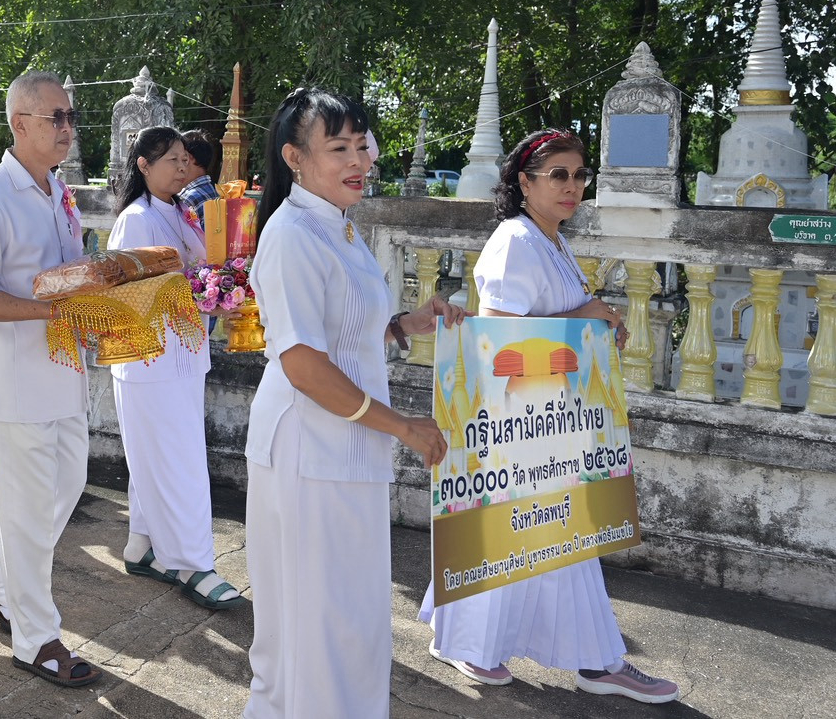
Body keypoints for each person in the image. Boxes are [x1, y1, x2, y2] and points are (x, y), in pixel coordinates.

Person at [420, 129, 679, 704]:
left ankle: (585, 657)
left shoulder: (550, 240)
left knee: (553, 542)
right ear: (524, 181)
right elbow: (502, 336)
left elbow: (556, 314)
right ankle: (586, 658)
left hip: (553, 419)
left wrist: (593, 318)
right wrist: (585, 313)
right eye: (557, 174)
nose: (571, 186)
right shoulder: (515, 239)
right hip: (519, 419)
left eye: (579, 175)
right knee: (520, 540)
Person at [243, 88, 460, 719]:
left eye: (361, 144)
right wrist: (404, 429)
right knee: (320, 620)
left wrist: (404, 324)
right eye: (338, 147)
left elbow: (344, 328)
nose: (357, 158)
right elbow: (304, 364)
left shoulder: (339, 226)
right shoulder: (291, 235)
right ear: (295, 158)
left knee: (348, 615)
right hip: (309, 448)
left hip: (347, 444)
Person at [0, 70, 105, 689]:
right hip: (13, 381)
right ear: (19, 124)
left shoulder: (56, 193)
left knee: (67, 487)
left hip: (62, 371)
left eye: (70, 116)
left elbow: (64, 274)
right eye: (56, 118)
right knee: (24, 509)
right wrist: (51, 312)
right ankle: (36, 639)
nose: (67, 128)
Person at [106, 126, 239, 609]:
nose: (182, 167)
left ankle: (141, 545)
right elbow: (126, 294)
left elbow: (203, 272)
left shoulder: (182, 215)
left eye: (185, 159)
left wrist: (222, 288)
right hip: (149, 358)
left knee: (163, 455)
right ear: (143, 165)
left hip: (183, 353)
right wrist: (197, 289)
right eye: (171, 160)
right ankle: (192, 562)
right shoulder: (136, 220)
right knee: (176, 461)